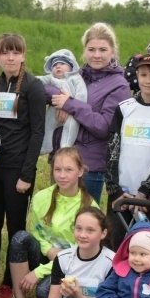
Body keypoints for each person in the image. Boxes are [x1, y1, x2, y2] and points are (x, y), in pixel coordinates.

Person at [0, 33, 46, 298]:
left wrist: (27, 174)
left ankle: (9, 283)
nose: (10, 57)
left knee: (15, 227)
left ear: (23, 55)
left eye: (15, 52)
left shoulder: (33, 86)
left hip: (18, 169)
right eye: (5, 53)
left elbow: (37, 131)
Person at [3, 147, 96, 298]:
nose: (62, 175)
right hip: (48, 255)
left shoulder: (89, 207)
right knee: (19, 238)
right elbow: (36, 232)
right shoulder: (41, 197)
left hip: (72, 266)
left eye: (69, 170)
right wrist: (48, 250)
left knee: (43, 292)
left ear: (81, 171)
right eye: (58, 169)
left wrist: (38, 272)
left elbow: (83, 254)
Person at [47, 23, 130, 202]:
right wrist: (61, 103)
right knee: (56, 218)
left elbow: (103, 126)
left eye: (103, 49)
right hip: (62, 161)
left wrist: (70, 105)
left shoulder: (119, 85)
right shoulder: (76, 75)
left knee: (84, 222)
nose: (97, 55)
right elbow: (47, 86)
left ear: (113, 51)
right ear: (84, 50)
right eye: (91, 49)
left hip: (89, 166)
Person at [105, 54, 150, 249]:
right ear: (137, 75)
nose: (147, 80)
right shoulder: (124, 108)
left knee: (143, 248)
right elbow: (112, 150)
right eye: (143, 74)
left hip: (149, 198)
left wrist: (143, 192)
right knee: (113, 246)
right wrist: (115, 190)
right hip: (121, 194)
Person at [37, 49, 86, 156]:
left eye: (62, 64)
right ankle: (46, 145)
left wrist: (73, 106)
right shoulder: (51, 78)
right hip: (54, 111)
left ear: (71, 65)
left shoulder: (76, 78)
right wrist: (28, 80)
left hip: (72, 113)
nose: (58, 66)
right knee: (47, 124)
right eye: (55, 65)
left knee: (71, 126)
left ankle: (65, 147)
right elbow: (39, 81)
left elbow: (82, 94)